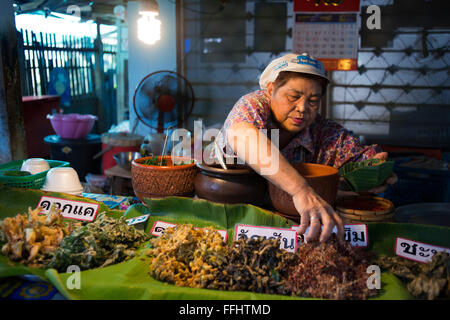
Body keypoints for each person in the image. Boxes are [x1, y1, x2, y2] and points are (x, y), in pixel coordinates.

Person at [214, 53, 397, 243]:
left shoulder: (324, 132)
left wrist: (376, 170)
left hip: (292, 226)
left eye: (313, 101)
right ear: (271, 90)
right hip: (228, 215)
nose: (302, 108)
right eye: (293, 96)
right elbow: (243, 136)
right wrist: (301, 191)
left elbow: (360, 158)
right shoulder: (254, 104)